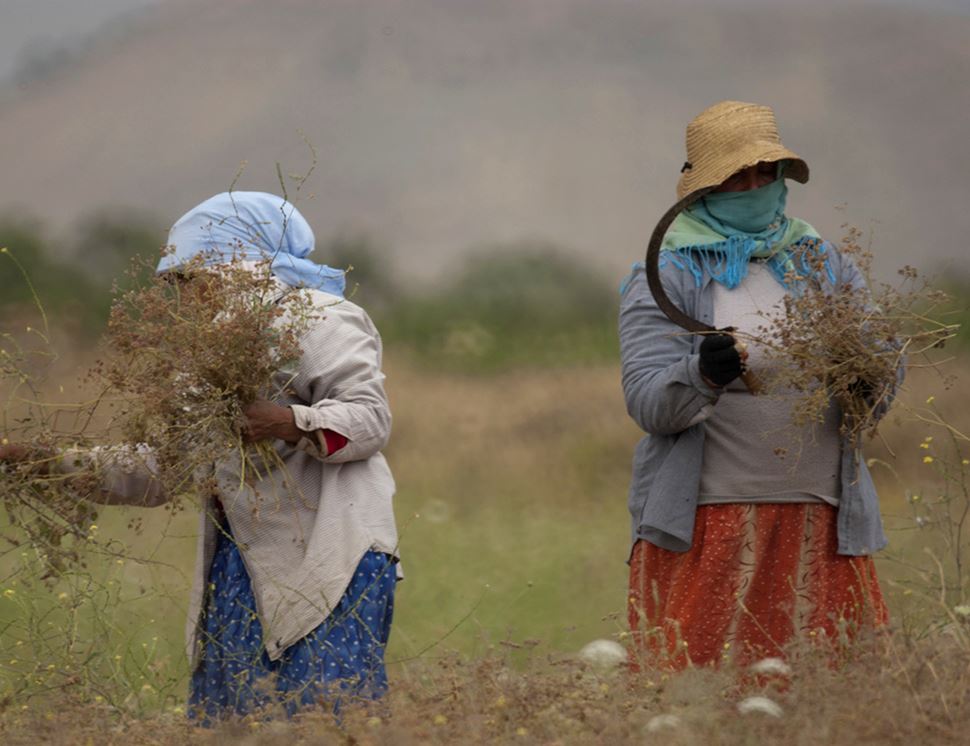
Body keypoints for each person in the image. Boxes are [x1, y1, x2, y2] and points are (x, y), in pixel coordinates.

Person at [1, 192, 400, 722]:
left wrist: (288, 421)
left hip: (333, 552)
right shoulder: (208, 358)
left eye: (192, 277)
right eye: (175, 283)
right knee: (235, 723)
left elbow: (371, 419)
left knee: (323, 719)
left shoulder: (320, 320)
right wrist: (40, 462)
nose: (185, 296)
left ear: (238, 265)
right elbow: (161, 470)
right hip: (242, 563)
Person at [620, 101, 891, 669]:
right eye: (734, 176)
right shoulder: (670, 272)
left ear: (781, 177)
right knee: (702, 691)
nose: (752, 186)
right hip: (709, 522)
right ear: (703, 188)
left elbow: (875, 387)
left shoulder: (826, 265)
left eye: (762, 172)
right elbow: (648, 401)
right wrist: (703, 372)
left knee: (829, 694)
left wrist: (873, 373)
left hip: (822, 517)